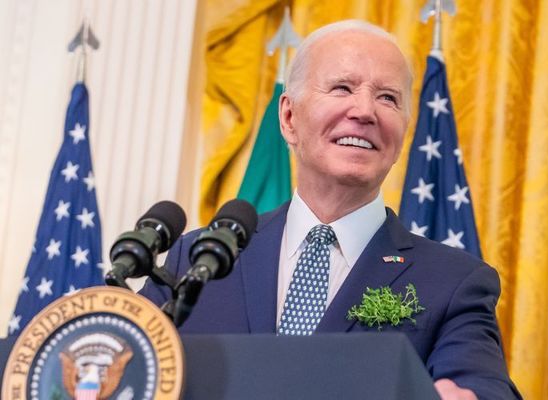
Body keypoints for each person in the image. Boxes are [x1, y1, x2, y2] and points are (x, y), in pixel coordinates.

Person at [140, 20, 521, 400]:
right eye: (342, 87)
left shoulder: (455, 282)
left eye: (388, 97)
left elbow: (484, 390)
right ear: (289, 117)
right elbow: (126, 367)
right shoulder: (194, 262)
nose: (365, 110)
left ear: (404, 131)